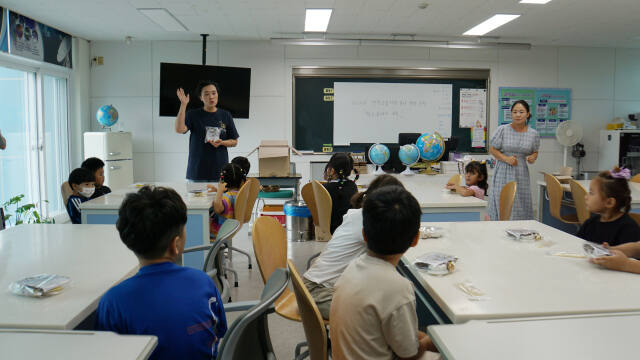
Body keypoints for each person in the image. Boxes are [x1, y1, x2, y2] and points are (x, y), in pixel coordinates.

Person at [96, 186, 227, 360]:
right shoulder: (203, 282)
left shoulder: (112, 302)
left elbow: (106, 353)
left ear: (129, 241)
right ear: (176, 244)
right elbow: (219, 331)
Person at [330, 186, 440, 360]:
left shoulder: (352, 268)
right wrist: (430, 342)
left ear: (364, 235)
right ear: (415, 239)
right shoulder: (398, 288)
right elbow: (409, 354)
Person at [303, 174, 404, 319]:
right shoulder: (369, 221)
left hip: (318, 287)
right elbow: (393, 248)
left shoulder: (357, 215)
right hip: (320, 294)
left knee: (383, 303)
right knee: (381, 316)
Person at [175, 80, 239, 182]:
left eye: (214, 93)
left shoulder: (226, 115)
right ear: (201, 97)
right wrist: (183, 105)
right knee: (195, 198)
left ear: (217, 94)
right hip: (197, 171)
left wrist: (222, 142)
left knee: (218, 198)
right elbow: (179, 129)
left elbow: (234, 141)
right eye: (207, 94)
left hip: (220, 171)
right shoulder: (193, 115)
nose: (211, 97)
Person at [488, 100, 540, 220]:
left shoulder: (533, 134)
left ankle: (520, 231)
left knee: (520, 202)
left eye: (521, 112)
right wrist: (506, 159)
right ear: (511, 114)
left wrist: (533, 157)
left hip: (521, 172)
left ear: (527, 114)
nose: (518, 115)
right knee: (503, 201)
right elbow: (492, 149)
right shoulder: (503, 130)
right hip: (503, 171)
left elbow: (535, 151)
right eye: (515, 112)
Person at [576, 167, 640, 246]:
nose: (586, 197)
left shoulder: (628, 229)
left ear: (609, 202)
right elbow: (577, 246)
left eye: (591, 193)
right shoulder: (589, 223)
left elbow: (629, 258)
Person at [323, 153, 359, 234]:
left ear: (332, 170)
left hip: (331, 231)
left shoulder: (324, 188)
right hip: (350, 230)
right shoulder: (353, 186)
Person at [210, 163, 245, 239]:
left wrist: (219, 190)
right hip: (230, 229)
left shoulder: (227, 197)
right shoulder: (240, 194)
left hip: (217, 232)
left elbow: (218, 209)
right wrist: (218, 191)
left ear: (223, 180)